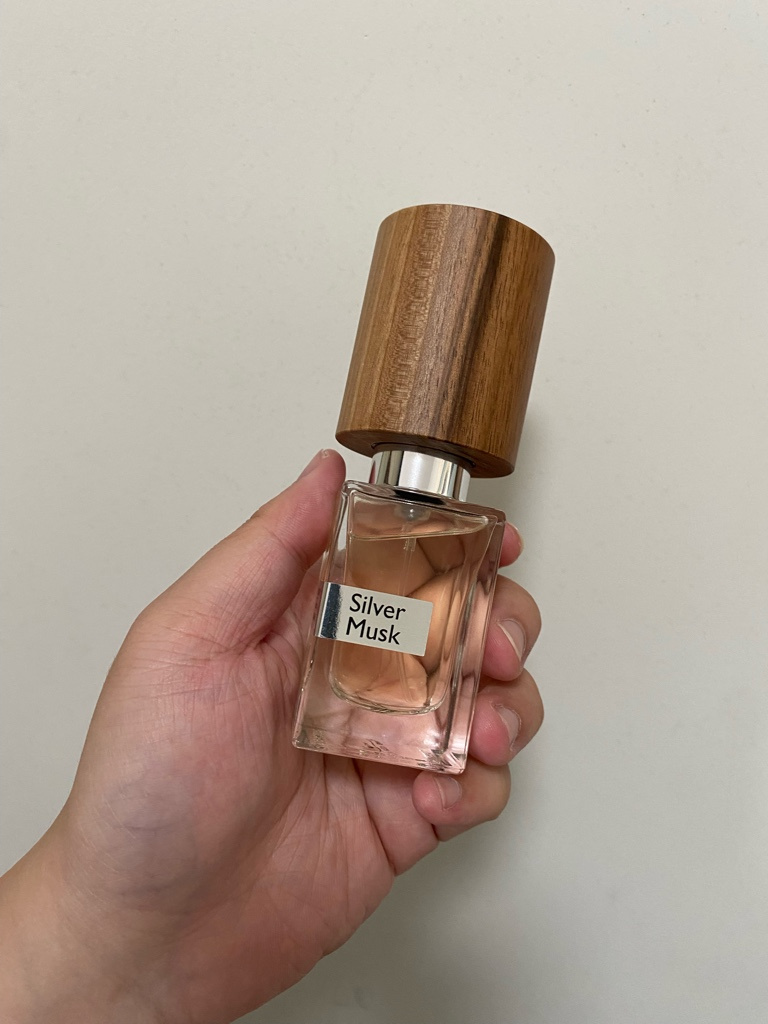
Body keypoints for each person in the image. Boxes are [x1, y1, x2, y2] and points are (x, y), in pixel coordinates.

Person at [0, 450, 544, 1023]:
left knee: (475, 658)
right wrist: (101, 939)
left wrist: (100, 955)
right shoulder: (366, 511)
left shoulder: (461, 528)